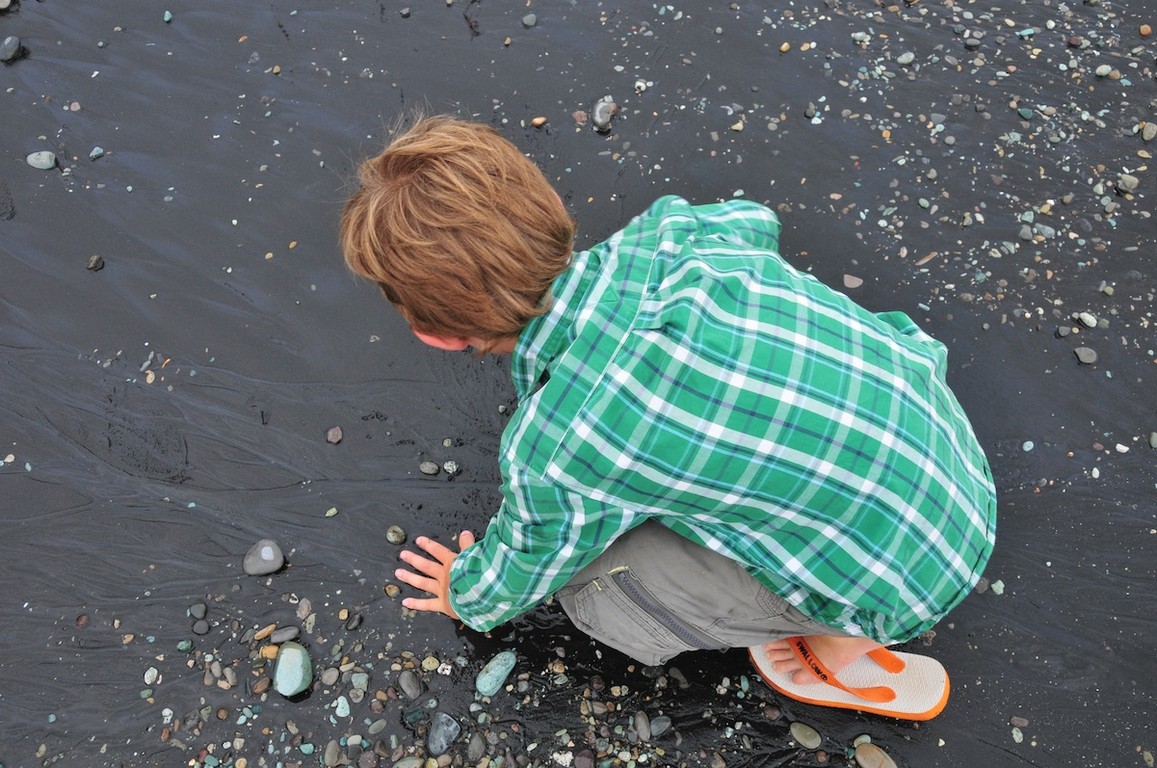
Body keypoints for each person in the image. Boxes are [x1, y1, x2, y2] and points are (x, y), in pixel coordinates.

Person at [340, 115, 996, 720]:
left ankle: (837, 647)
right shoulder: (677, 231)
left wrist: (465, 594)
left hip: (901, 585)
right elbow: (755, 222)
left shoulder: (561, 445)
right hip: (952, 460)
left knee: (587, 590)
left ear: (436, 336)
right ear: (549, 207)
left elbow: (527, 563)